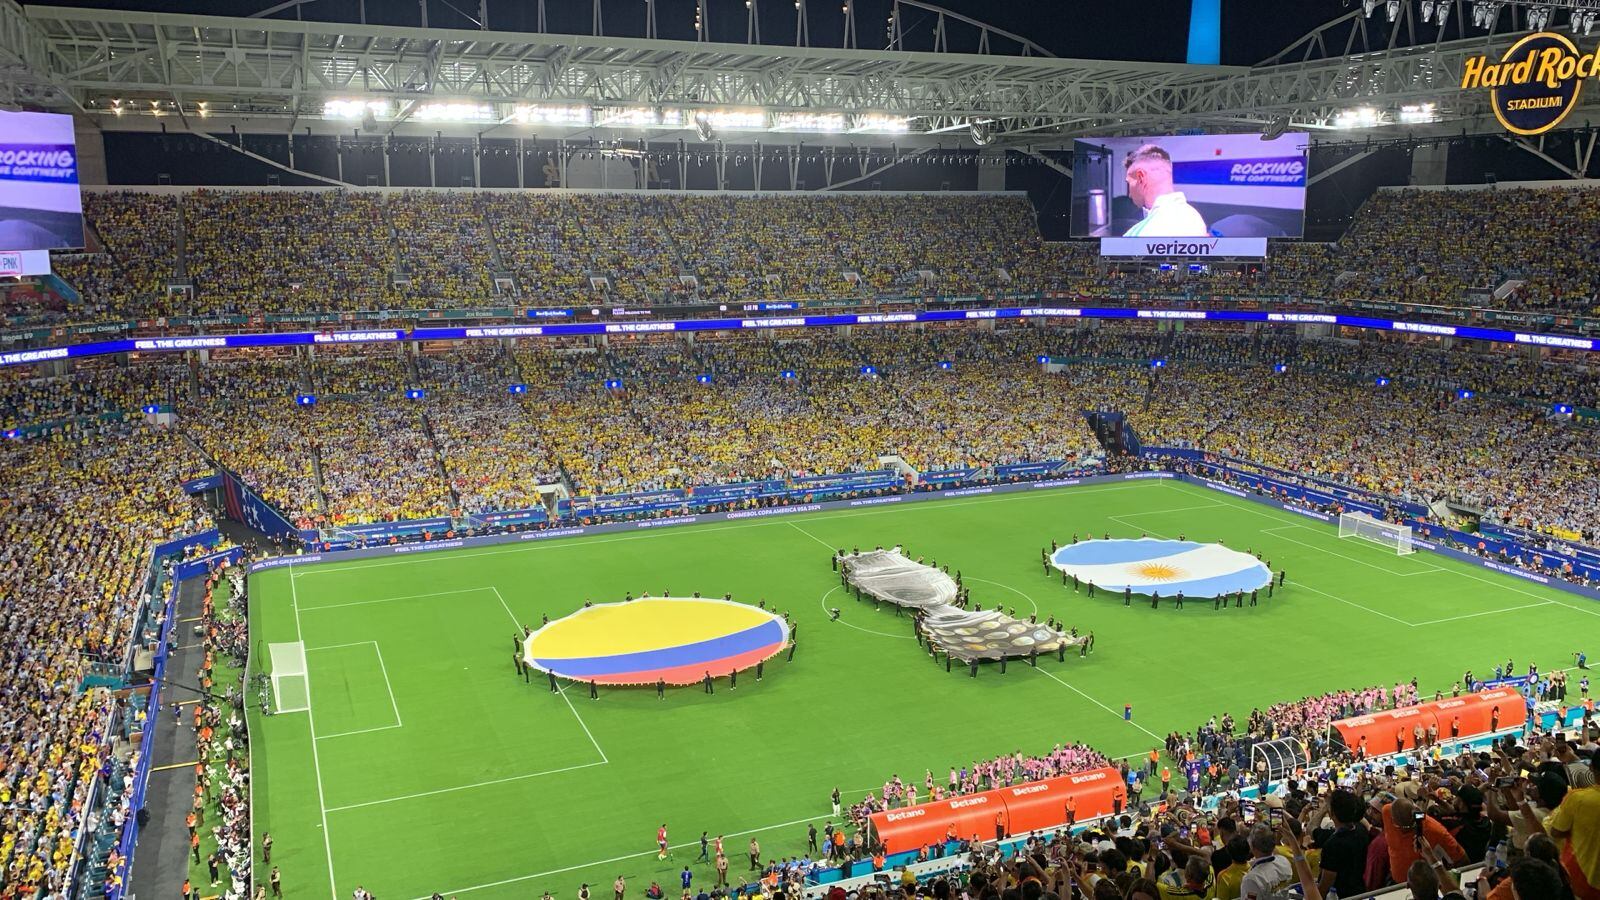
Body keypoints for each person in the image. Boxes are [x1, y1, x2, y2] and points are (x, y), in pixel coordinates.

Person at [1120, 144, 1207, 238]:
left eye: (1129, 183)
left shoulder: (1153, 230)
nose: (1129, 194)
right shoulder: (1192, 216)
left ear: (1141, 178)